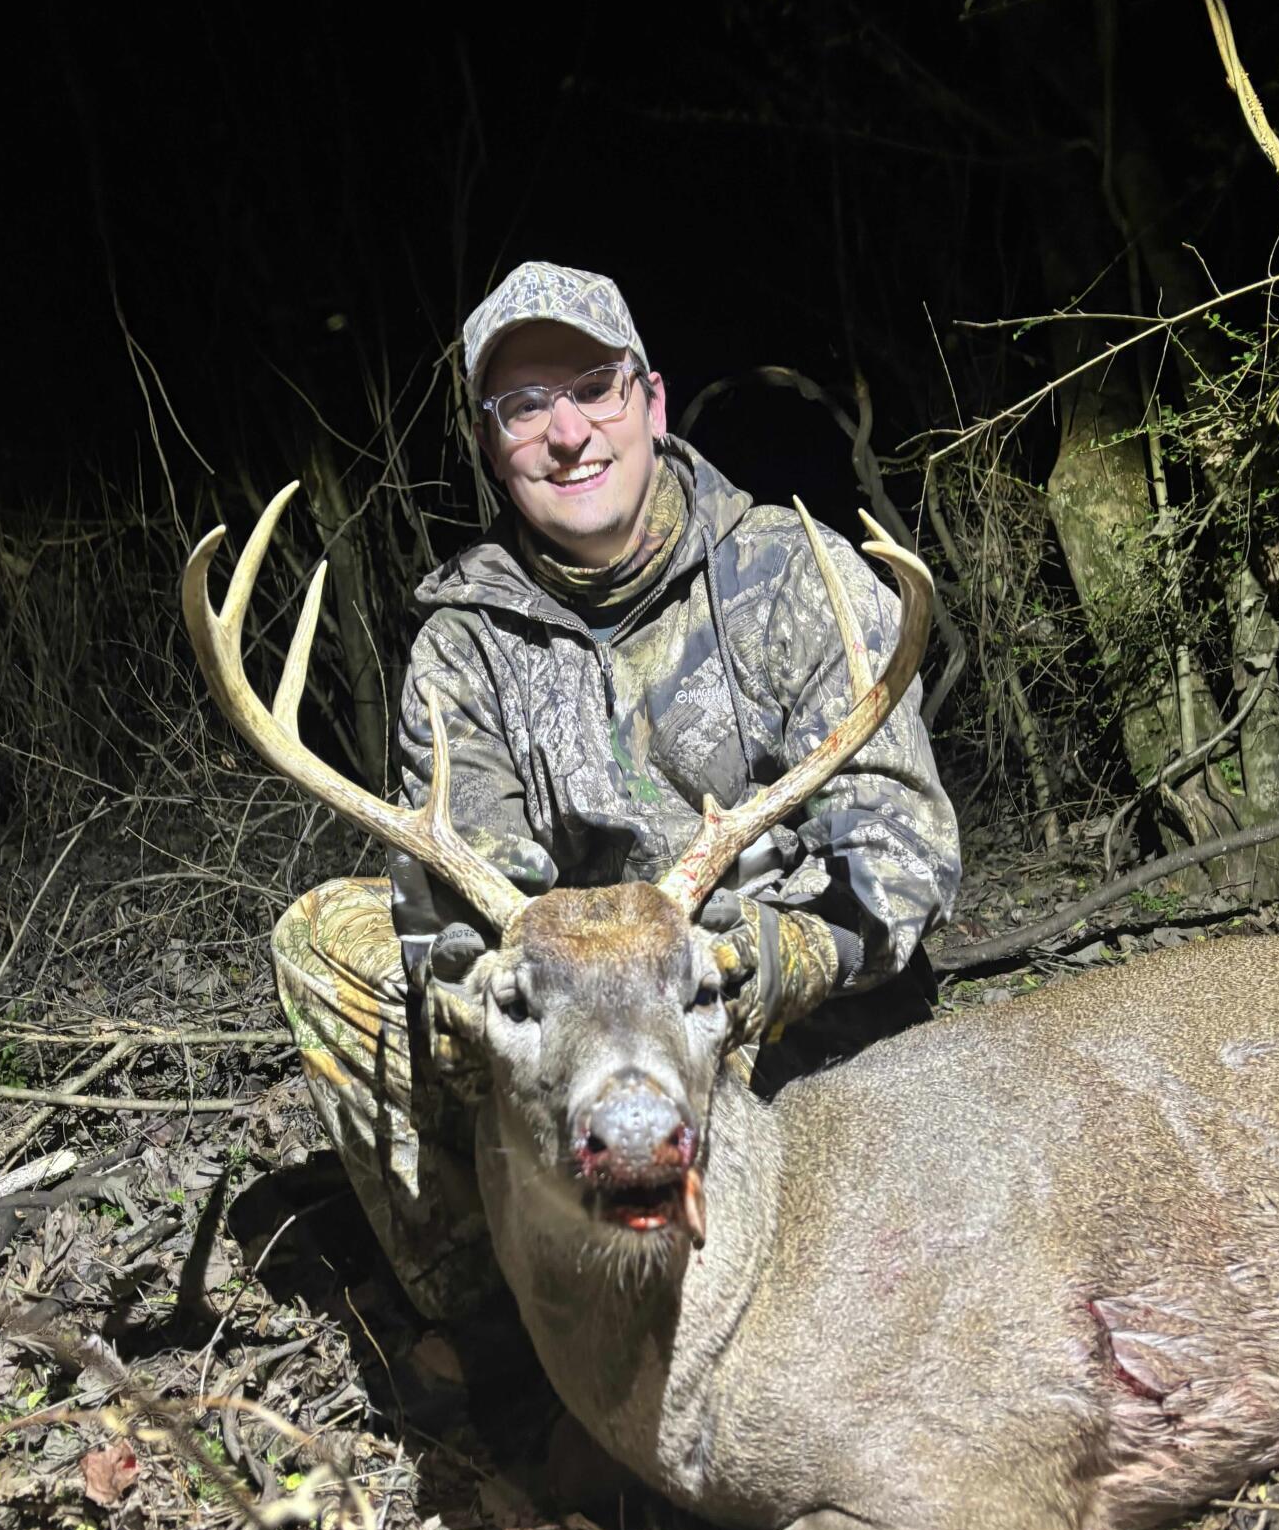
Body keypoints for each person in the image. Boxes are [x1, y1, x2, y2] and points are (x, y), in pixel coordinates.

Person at [272, 262, 960, 1321]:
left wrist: (757, 961)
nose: (568, 432)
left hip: (770, 1024)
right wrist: (530, 977)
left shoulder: (793, 574)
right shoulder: (464, 648)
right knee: (326, 937)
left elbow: (903, 854)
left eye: (594, 387)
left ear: (650, 400)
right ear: (492, 447)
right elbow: (464, 902)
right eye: (523, 406)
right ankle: (507, 1326)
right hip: (585, 1030)